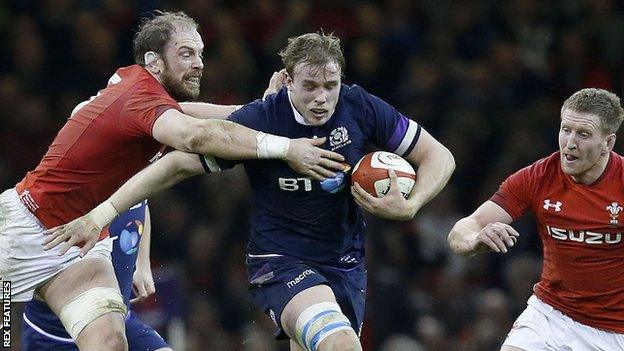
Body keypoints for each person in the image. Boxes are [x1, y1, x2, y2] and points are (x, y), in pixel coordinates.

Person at [44, 32, 455, 351]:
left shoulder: (360, 107)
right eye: (310, 85)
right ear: (288, 81)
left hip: (346, 264)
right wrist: (99, 215)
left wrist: (412, 204)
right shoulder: (263, 119)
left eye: (330, 84)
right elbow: (176, 164)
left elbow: (438, 155)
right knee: (340, 343)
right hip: (281, 262)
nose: (322, 97)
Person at [0, 11, 344, 351]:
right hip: (24, 229)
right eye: (186, 53)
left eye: (200, 54)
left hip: (79, 244)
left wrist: (268, 111)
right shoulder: (138, 98)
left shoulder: (144, 95)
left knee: (108, 342)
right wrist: (285, 147)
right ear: (154, 60)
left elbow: (200, 115)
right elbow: (195, 136)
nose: (199, 64)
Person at [447, 88, 624, 351]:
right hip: (550, 316)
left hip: (614, 331)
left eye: (583, 134)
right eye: (566, 129)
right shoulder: (538, 177)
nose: (570, 143)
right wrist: (475, 239)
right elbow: (462, 229)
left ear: (608, 143)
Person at [22, 201, 173, 351]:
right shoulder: (72, 188)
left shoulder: (133, 179)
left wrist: (143, 263)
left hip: (120, 324)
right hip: (56, 337)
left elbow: (141, 201)